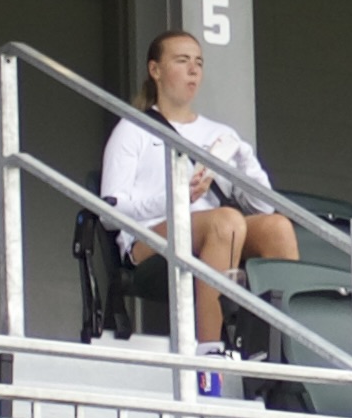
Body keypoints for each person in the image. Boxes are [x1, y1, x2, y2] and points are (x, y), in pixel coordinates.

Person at [100, 30, 299, 346]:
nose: (193, 70)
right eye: (182, 61)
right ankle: (210, 354)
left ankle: (281, 350)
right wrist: (176, 198)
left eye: (199, 63)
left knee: (277, 227)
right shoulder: (132, 129)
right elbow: (109, 213)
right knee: (225, 221)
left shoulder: (218, 131)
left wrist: (243, 155)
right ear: (156, 70)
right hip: (149, 242)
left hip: (219, 235)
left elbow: (263, 207)